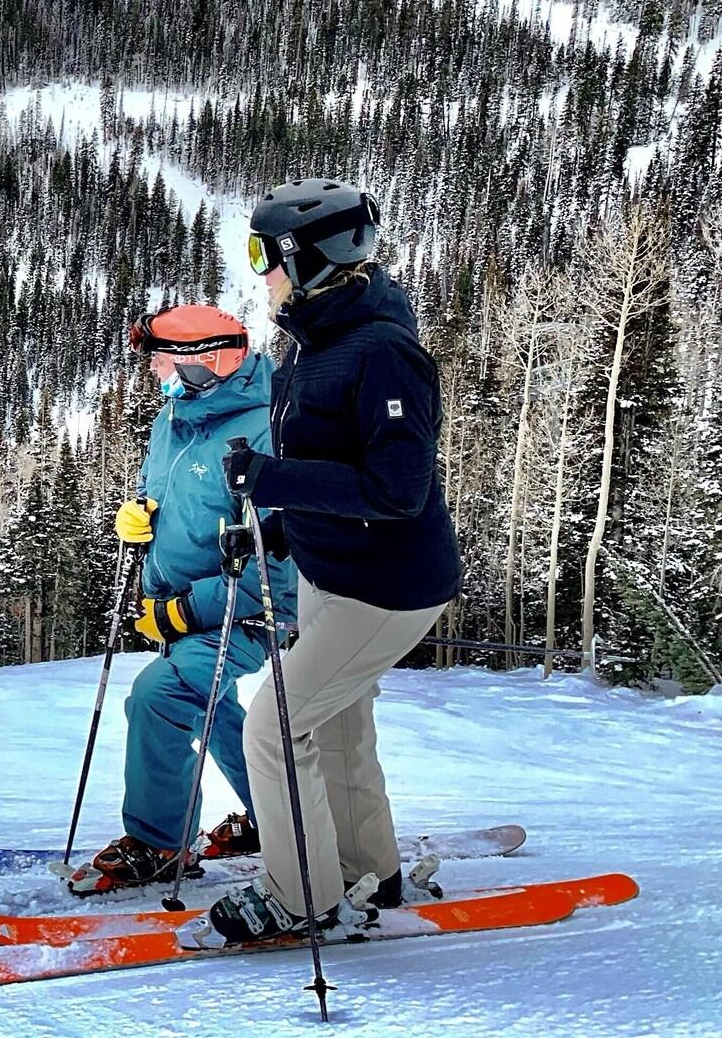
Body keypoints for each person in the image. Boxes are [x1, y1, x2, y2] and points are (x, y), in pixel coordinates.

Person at [201, 178, 463, 946]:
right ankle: (364, 866)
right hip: (332, 569)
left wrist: (274, 481)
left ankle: (299, 893)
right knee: (338, 723)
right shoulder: (316, 337)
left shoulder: (384, 354)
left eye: (266, 254)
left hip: (386, 586)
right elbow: (331, 458)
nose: (260, 272)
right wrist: (278, 526)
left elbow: (396, 490)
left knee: (274, 725)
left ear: (313, 258)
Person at [72, 303, 297, 895]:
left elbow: (279, 562)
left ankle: (160, 844)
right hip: (182, 604)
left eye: (163, 362)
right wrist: (141, 520)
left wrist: (182, 610)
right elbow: (164, 495)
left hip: (248, 613)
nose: (154, 374)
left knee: (161, 697)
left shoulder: (265, 429)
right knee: (211, 706)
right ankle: (270, 817)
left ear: (206, 362)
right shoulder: (177, 416)